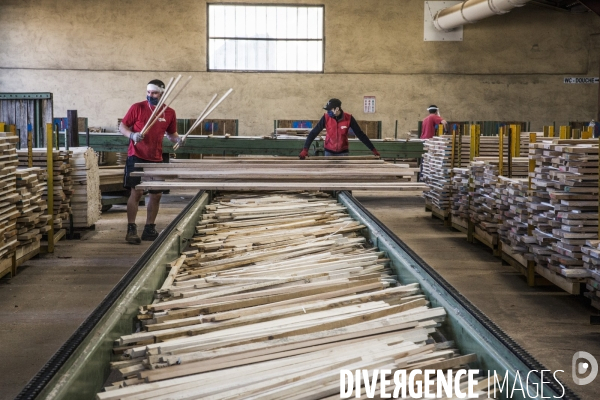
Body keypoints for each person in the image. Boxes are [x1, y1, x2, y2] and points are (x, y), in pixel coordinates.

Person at [118, 79, 183, 244]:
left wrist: (178, 139)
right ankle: (131, 228)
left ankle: (149, 228)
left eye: (154, 93)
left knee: (156, 194)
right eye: (148, 92)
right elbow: (122, 126)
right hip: (136, 154)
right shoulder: (137, 107)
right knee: (136, 192)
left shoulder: (169, 112)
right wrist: (132, 135)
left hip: (156, 157)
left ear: (162, 93)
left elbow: (171, 134)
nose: (150, 95)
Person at [299, 98, 380, 159]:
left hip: (343, 153)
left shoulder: (349, 118)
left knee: (343, 177)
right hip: (329, 152)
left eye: (330, 110)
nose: (328, 112)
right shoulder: (326, 118)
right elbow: (314, 133)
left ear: (337, 109)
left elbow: (360, 134)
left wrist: (373, 149)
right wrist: (305, 149)